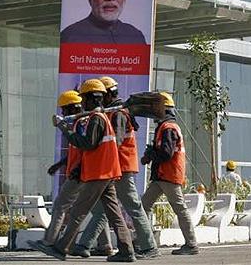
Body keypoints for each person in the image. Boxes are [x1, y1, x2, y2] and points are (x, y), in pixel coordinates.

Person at [36, 79, 136, 262]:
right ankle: (126, 250)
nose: (82, 102)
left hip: (99, 173)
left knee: (77, 212)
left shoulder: (96, 119)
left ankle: (61, 247)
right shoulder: (100, 118)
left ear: (91, 99)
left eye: (83, 98)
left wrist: (65, 130)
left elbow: (87, 145)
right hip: (106, 173)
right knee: (114, 214)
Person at [72, 76, 159, 259]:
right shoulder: (113, 112)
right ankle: (84, 245)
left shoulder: (118, 113)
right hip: (115, 167)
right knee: (104, 208)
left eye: (102, 95)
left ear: (109, 94)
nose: (99, 99)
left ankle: (149, 246)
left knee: (132, 207)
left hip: (122, 166)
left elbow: (116, 143)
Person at [37, 90, 108, 248]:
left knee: (60, 205)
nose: (62, 112)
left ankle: (49, 241)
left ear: (72, 109)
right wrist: (59, 165)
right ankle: (105, 245)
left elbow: (84, 147)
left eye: (64, 109)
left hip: (80, 174)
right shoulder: (82, 122)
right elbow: (77, 150)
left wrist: (63, 127)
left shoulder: (81, 124)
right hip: (86, 173)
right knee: (96, 210)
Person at [141, 92, 199, 255]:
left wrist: (151, 154)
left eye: (156, 108)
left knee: (179, 208)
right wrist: (152, 153)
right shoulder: (165, 127)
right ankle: (146, 241)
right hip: (162, 176)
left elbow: (166, 154)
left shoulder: (169, 128)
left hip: (169, 175)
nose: (153, 112)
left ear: (164, 110)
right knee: (143, 206)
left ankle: (191, 244)